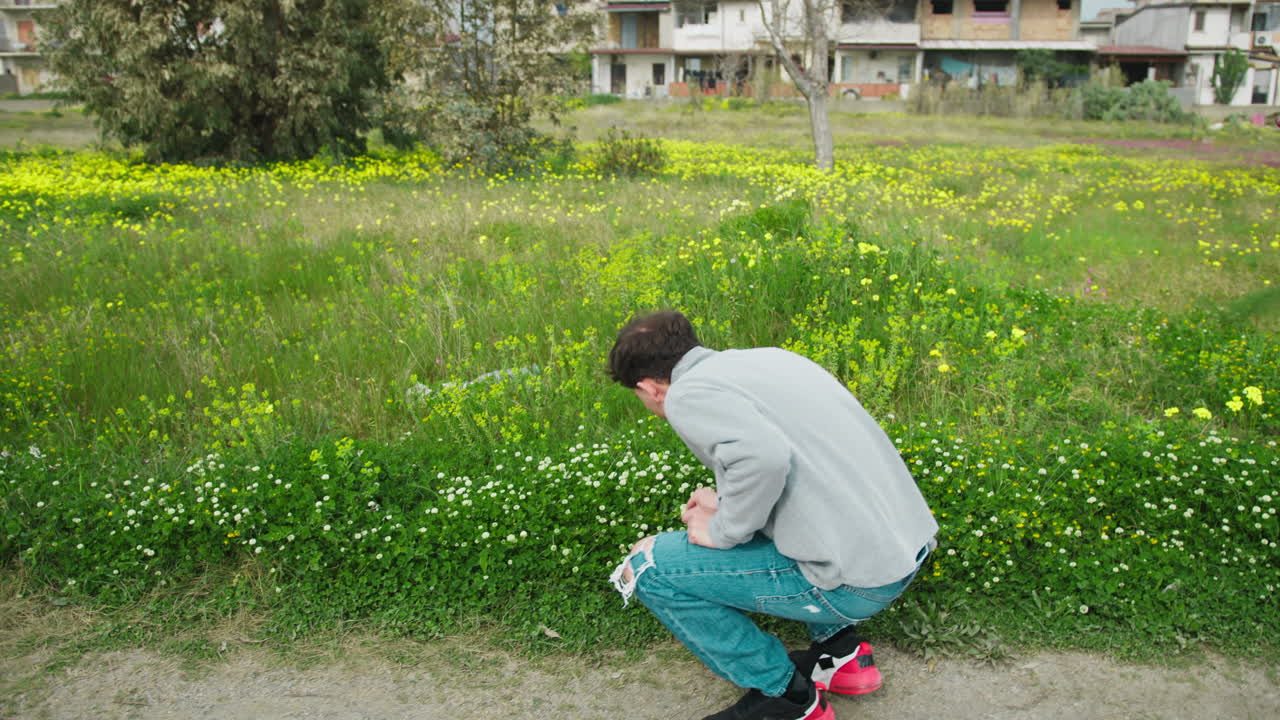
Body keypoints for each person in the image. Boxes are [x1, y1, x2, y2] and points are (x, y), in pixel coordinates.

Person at [606, 310, 938, 720]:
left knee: (647, 564)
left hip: (857, 583)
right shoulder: (770, 360)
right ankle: (839, 655)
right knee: (755, 518)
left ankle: (786, 696)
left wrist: (723, 529)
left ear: (649, 388)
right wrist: (724, 504)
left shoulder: (685, 394)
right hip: (902, 548)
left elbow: (763, 459)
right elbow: (801, 465)